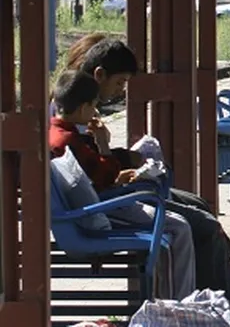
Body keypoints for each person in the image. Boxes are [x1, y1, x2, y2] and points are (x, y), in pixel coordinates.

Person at [67, 37, 230, 325]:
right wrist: (119, 160)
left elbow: (94, 162)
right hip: (107, 203)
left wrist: (123, 159)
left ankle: (229, 291)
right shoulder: (75, 113)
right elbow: (96, 170)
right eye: (119, 83)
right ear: (99, 75)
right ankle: (228, 303)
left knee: (198, 204)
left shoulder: (80, 106)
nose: (121, 91)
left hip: (112, 194)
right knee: (201, 225)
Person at [50, 71, 197, 301]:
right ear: (83, 108)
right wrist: (103, 144)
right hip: (97, 212)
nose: (95, 112)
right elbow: (106, 176)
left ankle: (170, 300)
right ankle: (177, 305)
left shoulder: (54, 134)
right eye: (93, 106)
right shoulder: (69, 141)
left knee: (175, 222)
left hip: (85, 209)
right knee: (179, 228)